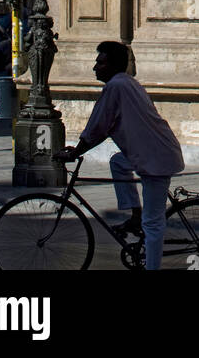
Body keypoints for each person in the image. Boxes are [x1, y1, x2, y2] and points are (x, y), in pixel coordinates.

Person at [58, 42, 184, 271]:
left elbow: (98, 125)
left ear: (113, 66)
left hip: (156, 158)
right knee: (117, 162)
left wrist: (75, 152)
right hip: (153, 153)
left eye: (100, 62)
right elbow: (101, 126)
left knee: (153, 224)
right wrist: (78, 149)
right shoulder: (126, 83)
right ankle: (135, 213)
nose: (95, 67)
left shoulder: (116, 86)